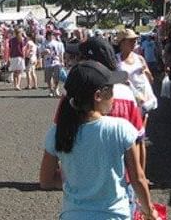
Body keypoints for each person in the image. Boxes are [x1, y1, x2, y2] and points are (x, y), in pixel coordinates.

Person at [39, 60, 159, 220]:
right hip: (114, 215)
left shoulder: (58, 132)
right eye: (111, 90)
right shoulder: (120, 129)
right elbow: (138, 179)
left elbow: (46, 181)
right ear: (98, 95)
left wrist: (78, 180)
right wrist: (149, 211)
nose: (114, 96)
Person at [117, 28, 156, 176]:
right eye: (130, 40)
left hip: (143, 101)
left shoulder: (140, 58)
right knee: (128, 137)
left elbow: (150, 79)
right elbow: (114, 79)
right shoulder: (116, 60)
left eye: (135, 40)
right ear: (121, 43)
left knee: (139, 137)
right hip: (126, 101)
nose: (134, 43)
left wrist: (146, 72)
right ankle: (131, 172)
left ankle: (141, 173)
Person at [42, 30, 65, 97]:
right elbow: (40, 53)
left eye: (52, 35)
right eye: (50, 35)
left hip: (56, 61)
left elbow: (61, 53)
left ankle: (56, 88)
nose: (51, 36)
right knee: (48, 78)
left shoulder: (58, 43)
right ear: (47, 35)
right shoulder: (44, 43)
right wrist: (45, 52)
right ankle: (50, 90)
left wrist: (62, 61)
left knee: (57, 76)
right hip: (47, 62)